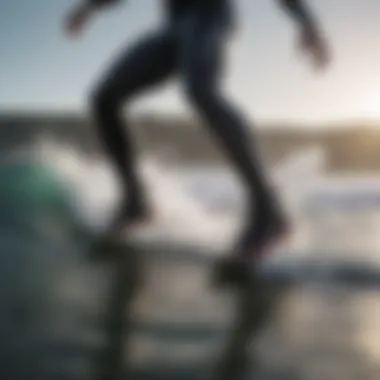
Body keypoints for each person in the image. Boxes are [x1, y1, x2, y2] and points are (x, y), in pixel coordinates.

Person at [64, 0, 330, 284]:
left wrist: (307, 22)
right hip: (172, 29)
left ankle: (268, 213)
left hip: (211, 19)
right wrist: (89, 8)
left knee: (201, 90)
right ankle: (135, 202)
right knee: (104, 98)